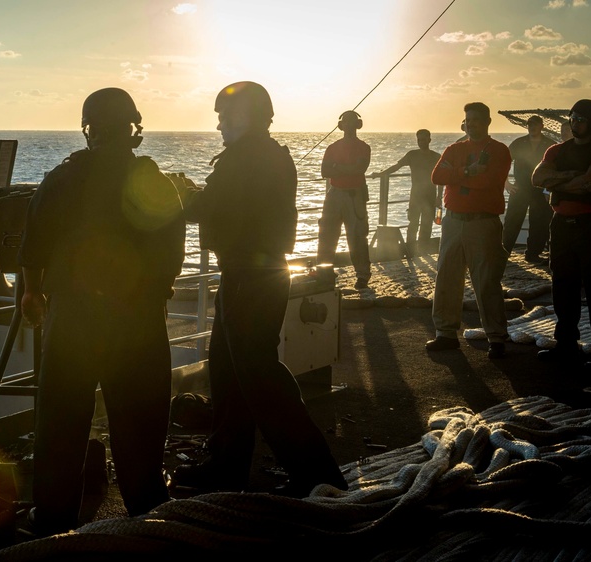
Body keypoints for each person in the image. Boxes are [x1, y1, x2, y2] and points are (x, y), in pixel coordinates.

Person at [17, 87, 186, 534]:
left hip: (72, 318)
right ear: (134, 127)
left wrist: (33, 293)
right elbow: (173, 254)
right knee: (140, 421)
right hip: (139, 320)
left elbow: (33, 247)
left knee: (61, 421)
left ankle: (52, 519)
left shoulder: (62, 178)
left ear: (89, 128)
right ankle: (147, 512)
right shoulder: (155, 180)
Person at [171, 81, 347, 497]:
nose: (219, 126)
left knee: (259, 377)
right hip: (252, 276)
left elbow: (203, 208)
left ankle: (317, 474)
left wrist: (175, 191)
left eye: (225, 117)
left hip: (249, 279)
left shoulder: (242, 159)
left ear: (246, 117)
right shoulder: (268, 156)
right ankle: (225, 465)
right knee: (229, 373)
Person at [532, 99, 591, 370]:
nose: (575, 121)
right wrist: (573, 177)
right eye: (572, 116)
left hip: (588, 224)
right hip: (560, 223)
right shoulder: (557, 150)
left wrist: (558, 182)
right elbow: (537, 179)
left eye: (581, 118)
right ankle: (566, 345)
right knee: (563, 285)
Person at [425, 102, 512, 359]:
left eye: (476, 119)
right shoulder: (454, 148)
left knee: (486, 280)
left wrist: (456, 174)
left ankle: (496, 337)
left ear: (486, 122)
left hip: (483, 222)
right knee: (447, 276)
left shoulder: (499, 150)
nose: (471, 123)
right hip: (453, 221)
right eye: (468, 119)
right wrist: (467, 172)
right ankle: (445, 334)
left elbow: (489, 181)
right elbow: (436, 176)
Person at [318, 110, 372, 289]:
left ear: (358, 124)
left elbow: (359, 170)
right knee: (327, 235)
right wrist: (346, 168)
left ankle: (362, 275)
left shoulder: (364, 147)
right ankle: (324, 272)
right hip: (335, 194)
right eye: (346, 122)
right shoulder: (333, 147)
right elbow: (324, 171)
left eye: (352, 122)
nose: (348, 125)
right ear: (341, 126)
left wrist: (336, 167)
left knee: (357, 237)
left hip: (354, 195)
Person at [373, 129, 441, 255]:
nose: (421, 142)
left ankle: (423, 249)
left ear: (429, 140)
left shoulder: (436, 157)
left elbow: (440, 179)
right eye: (419, 139)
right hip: (415, 195)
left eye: (424, 139)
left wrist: (439, 197)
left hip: (430, 195)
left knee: (426, 225)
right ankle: (411, 250)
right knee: (413, 223)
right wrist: (381, 174)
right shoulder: (412, 155)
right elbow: (396, 166)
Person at [502, 115, 556, 263]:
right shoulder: (518, 143)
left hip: (541, 189)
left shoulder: (550, 144)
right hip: (520, 188)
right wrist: (506, 183)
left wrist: (548, 190)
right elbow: (504, 163)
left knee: (539, 222)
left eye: (535, 124)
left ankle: (533, 254)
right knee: (512, 220)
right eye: (530, 124)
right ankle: (504, 252)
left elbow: (555, 169)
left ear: (542, 126)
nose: (532, 127)